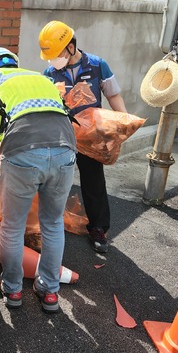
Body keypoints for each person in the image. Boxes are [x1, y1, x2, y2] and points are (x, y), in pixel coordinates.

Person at [0, 47, 77, 313]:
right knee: (52, 223)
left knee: (12, 226)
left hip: (23, 153)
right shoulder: (41, 79)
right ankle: (49, 291)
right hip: (66, 150)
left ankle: (13, 289)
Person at [39, 20, 127, 253]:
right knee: (55, 183)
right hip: (62, 137)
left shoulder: (98, 66)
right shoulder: (50, 72)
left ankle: (98, 229)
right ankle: (49, 227)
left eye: (56, 53)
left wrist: (123, 125)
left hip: (90, 138)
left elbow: (114, 96)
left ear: (70, 46)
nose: (53, 60)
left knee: (93, 182)